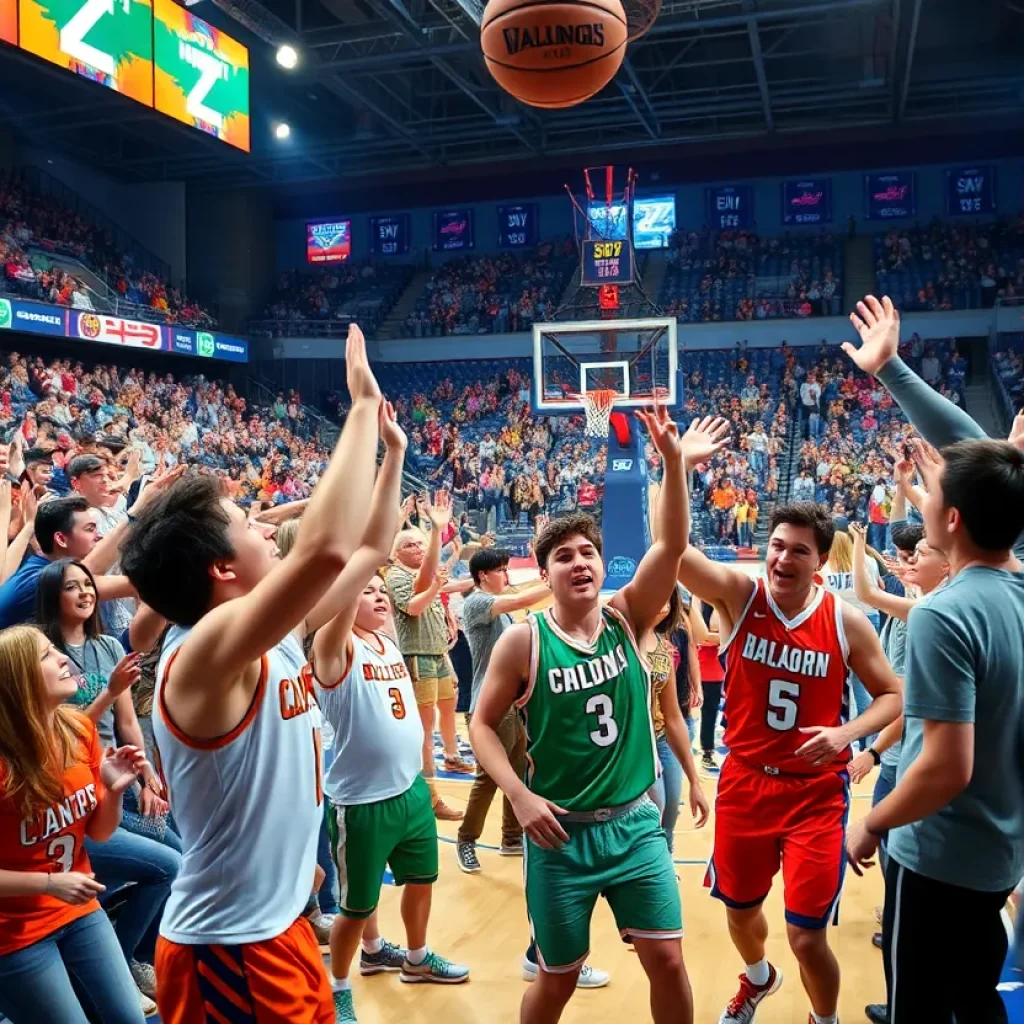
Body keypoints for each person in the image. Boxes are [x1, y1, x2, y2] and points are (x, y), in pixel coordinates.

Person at [120, 324, 387, 1024]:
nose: (268, 528)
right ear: (221, 568)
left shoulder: (274, 639)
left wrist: (390, 457)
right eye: (248, 523)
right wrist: (358, 406)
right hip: (228, 949)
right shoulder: (199, 654)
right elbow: (327, 549)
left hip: (278, 925)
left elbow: (368, 549)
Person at [472, 409, 731, 1024]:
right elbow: (482, 726)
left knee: (667, 960)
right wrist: (518, 795)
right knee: (558, 980)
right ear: (547, 572)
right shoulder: (523, 642)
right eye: (564, 556)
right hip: (560, 835)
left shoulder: (627, 617)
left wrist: (672, 465)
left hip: (635, 825)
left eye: (589, 551)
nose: (581, 561)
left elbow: (669, 546)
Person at [843, 303, 1024, 1023]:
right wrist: (890, 368)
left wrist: (875, 822)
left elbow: (946, 767)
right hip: (998, 851)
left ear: (949, 520)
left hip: (940, 852)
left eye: (935, 497)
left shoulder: (947, 615)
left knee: (918, 1008)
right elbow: (990, 469)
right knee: (974, 1001)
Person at [677, 488, 902, 1024]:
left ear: (821, 560)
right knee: (740, 913)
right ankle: (758, 978)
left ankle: (824, 1020)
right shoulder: (739, 595)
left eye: (799, 550)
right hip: (745, 782)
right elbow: (675, 552)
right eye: (777, 546)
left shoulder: (847, 622)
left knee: (806, 936)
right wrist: (675, 466)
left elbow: (895, 695)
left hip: (815, 795)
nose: (783, 558)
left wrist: (848, 734)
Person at [313, 402, 469, 1023]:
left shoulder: (387, 640)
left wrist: (433, 537)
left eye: (382, 592)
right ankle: (342, 984)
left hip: (407, 790)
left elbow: (421, 584)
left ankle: (415, 953)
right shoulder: (335, 644)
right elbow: (359, 569)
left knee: (421, 880)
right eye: (367, 593)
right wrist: (389, 462)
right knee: (354, 907)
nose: (376, 597)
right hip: (360, 798)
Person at [34, 558, 180, 1016]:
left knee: (175, 847)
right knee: (166, 863)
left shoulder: (105, 647)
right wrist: (110, 690)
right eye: (72, 586)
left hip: (115, 775)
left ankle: (133, 955)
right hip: (76, 783)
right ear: (52, 597)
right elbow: (60, 736)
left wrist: (149, 779)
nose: (85, 593)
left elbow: (126, 723)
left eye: (88, 584)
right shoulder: (42, 657)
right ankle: (121, 957)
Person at [0, 624, 149, 1023]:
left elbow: (99, 833)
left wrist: (114, 791)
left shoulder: (77, 728)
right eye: (47, 655)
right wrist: (48, 883)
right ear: (19, 679)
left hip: (79, 910)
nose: (63, 658)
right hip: (14, 936)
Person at [456, 546, 550, 871]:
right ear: (484, 575)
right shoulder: (477, 603)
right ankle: (466, 839)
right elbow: (523, 599)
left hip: (514, 703)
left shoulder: (501, 612)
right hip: (489, 705)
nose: (506, 575)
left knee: (520, 771)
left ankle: (511, 837)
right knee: (489, 778)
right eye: (501, 570)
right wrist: (555, 580)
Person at [385, 491, 471, 823]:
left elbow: (441, 590)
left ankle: (450, 756)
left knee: (448, 709)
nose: (419, 550)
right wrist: (437, 586)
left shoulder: (421, 574)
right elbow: (415, 605)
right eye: (411, 545)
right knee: (424, 729)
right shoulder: (395, 576)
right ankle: (430, 796)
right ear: (396, 552)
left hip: (436, 653)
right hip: (416, 656)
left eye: (421, 545)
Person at [640, 586, 709, 852]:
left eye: (667, 601)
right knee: (654, 807)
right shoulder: (624, 637)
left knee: (670, 808)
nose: (662, 606)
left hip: (665, 732)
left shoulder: (668, 640)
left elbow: (672, 717)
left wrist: (695, 781)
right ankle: (647, 861)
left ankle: (663, 860)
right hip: (639, 741)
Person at [0, 496, 132, 629]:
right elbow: (96, 569)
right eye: (89, 529)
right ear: (61, 539)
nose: (98, 536)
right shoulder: (40, 579)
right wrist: (136, 513)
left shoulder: (42, 565)